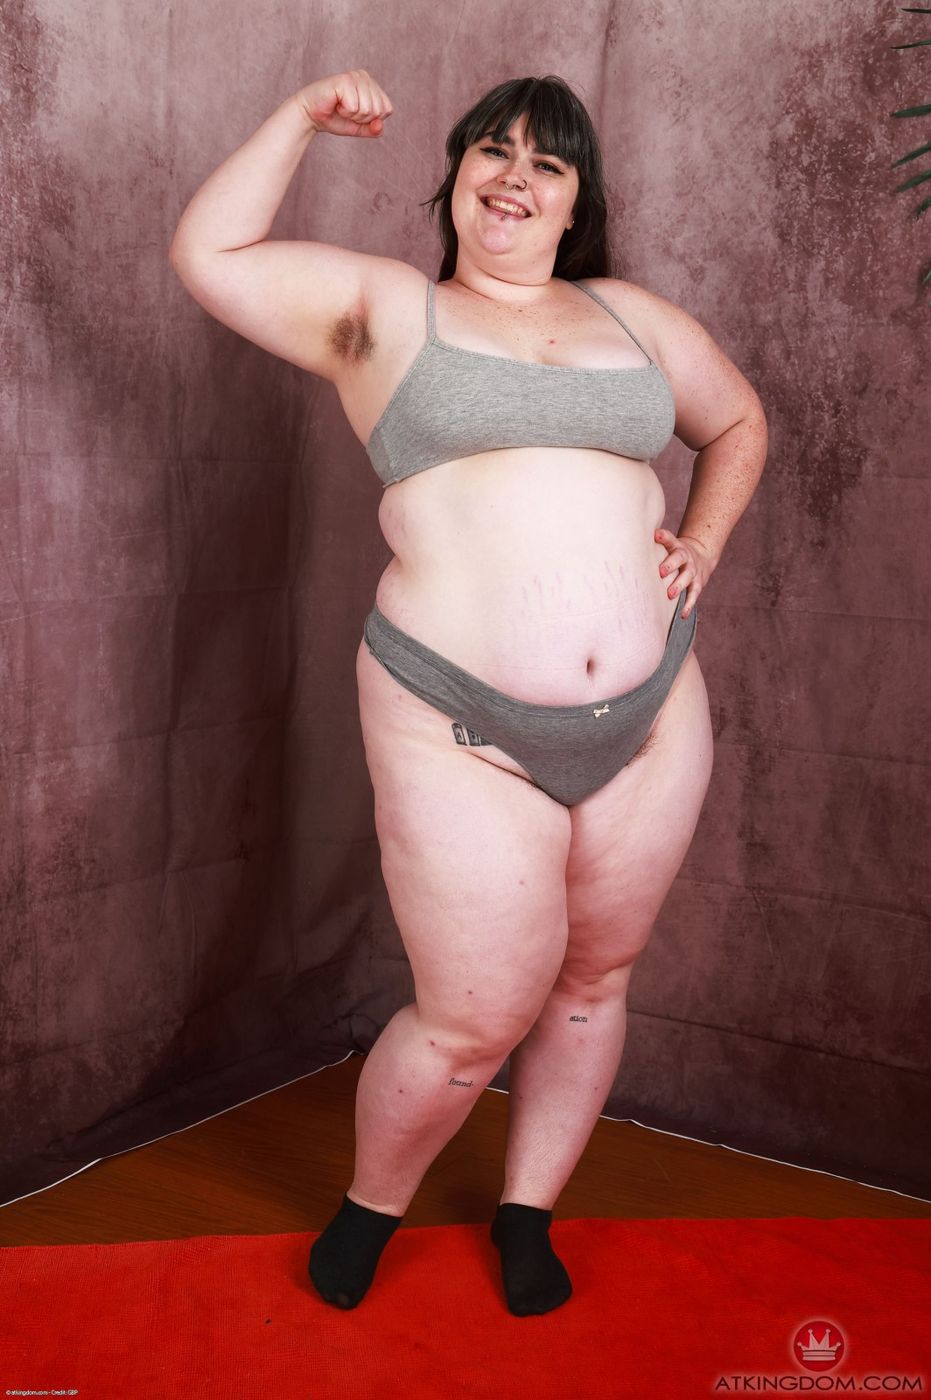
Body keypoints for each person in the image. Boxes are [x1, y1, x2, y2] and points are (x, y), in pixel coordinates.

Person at [169, 68, 768, 1317]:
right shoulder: (387, 311)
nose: (514, 178)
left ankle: (526, 1210)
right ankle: (371, 1202)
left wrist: (702, 544)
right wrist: (298, 117)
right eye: (493, 151)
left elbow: (736, 423)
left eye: (547, 163)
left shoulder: (632, 317)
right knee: (473, 1009)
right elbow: (210, 254)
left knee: (595, 978)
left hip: (653, 712)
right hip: (456, 718)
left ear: (575, 203)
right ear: (455, 178)